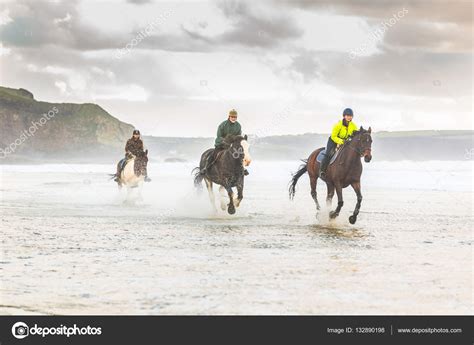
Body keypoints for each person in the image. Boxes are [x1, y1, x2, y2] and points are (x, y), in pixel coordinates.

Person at [202, 109, 248, 175]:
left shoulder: (238, 126)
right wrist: (225, 141)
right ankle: (206, 168)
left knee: (239, 155)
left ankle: (242, 169)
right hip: (221, 144)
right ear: (229, 117)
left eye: (235, 117)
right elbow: (219, 136)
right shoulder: (223, 125)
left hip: (232, 145)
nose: (233, 118)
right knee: (214, 154)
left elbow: (238, 136)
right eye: (232, 117)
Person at [319, 108, 358, 178]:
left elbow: (355, 136)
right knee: (328, 153)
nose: (349, 117)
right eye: (348, 115)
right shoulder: (338, 125)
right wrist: (341, 141)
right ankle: (322, 171)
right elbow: (334, 136)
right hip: (333, 140)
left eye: (351, 116)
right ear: (344, 116)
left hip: (346, 142)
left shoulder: (354, 126)